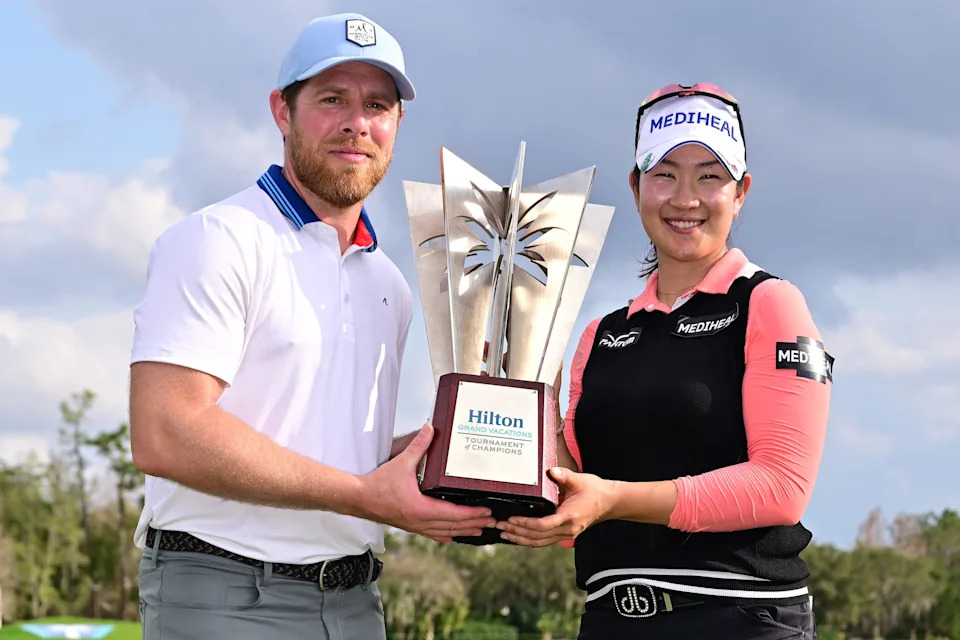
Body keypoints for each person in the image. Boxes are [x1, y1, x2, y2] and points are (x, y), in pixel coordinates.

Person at [128, 13, 494, 640]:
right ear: (282, 111)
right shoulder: (218, 239)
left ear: (396, 125)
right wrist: (363, 493)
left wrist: (462, 453)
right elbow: (165, 432)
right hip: (224, 594)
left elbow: (339, 454)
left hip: (355, 602)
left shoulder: (391, 285)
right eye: (331, 99)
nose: (357, 122)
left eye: (377, 104)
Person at [497, 84, 833, 639]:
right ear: (635, 188)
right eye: (665, 173)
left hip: (740, 619)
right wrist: (527, 387)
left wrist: (614, 500)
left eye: (709, 176)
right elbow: (570, 489)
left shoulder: (770, 303)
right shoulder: (600, 335)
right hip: (611, 619)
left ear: (741, 191)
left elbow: (782, 485)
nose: (685, 197)